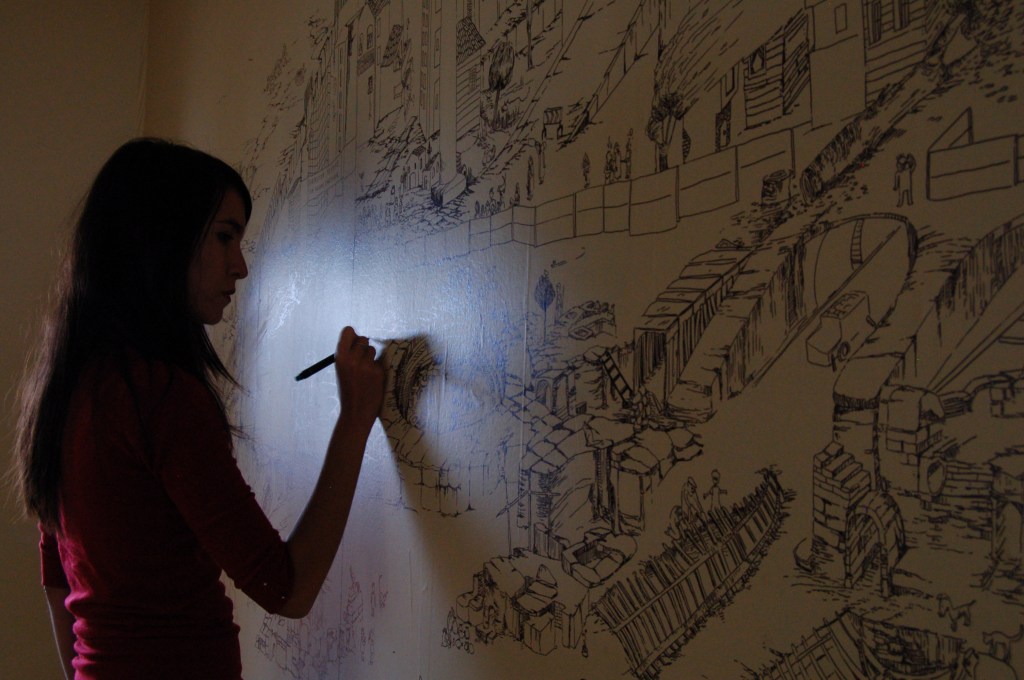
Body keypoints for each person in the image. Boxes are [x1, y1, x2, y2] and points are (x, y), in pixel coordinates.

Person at [13, 138, 385, 679]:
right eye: (225, 237)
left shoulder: (70, 389)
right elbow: (288, 589)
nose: (241, 267)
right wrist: (354, 420)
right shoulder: (159, 397)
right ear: (161, 239)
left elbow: (57, 582)